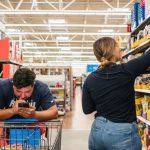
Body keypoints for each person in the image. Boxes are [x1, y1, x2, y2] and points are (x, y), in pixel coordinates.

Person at [82, 37, 150, 150]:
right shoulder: (126, 70)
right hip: (122, 133)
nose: (120, 49)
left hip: (97, 130)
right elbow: (147, 57)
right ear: (112, 50)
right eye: (118, 46)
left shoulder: (90, 79)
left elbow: (87, 109)